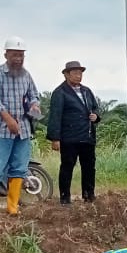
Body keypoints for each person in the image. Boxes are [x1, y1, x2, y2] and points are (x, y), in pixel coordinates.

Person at [0, 37, 41, 218]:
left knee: (19, 168)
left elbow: (34, 95)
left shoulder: (26, 75)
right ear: (6, 54)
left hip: (23, 130)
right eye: (14, 55)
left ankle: (12, 207)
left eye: (21, 55)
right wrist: (8, 119)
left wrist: (35, 105)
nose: (18, 59)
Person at [46, 60, 100, 205]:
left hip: (87, 136)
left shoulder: (86, 91)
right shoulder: (60, 92)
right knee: (67, 167)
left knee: (89, 167)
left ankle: (89, 195)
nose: (78, 76)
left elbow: (95, 108)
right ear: (66, 75)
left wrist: (96, 116)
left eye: (80, 73)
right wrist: (55, 138)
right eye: (75, 73)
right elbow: (55, 115)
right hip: (69, 137)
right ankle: (65, 198)